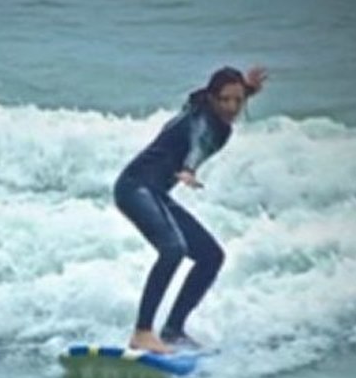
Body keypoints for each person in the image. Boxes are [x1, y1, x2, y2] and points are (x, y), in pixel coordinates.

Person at [114, 65, 268, 354]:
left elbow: (217, 107)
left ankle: (173, 330)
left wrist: (248, 88)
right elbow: (198, 141)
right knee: (173, 249)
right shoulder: (201, 120)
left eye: (239, 100)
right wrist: (188, 168)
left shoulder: (209, 110)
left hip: (154, 192)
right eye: (225, 100)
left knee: (211, 256)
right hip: (134, 188)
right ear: (211, 99)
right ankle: (142, 332)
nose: (233, 107)